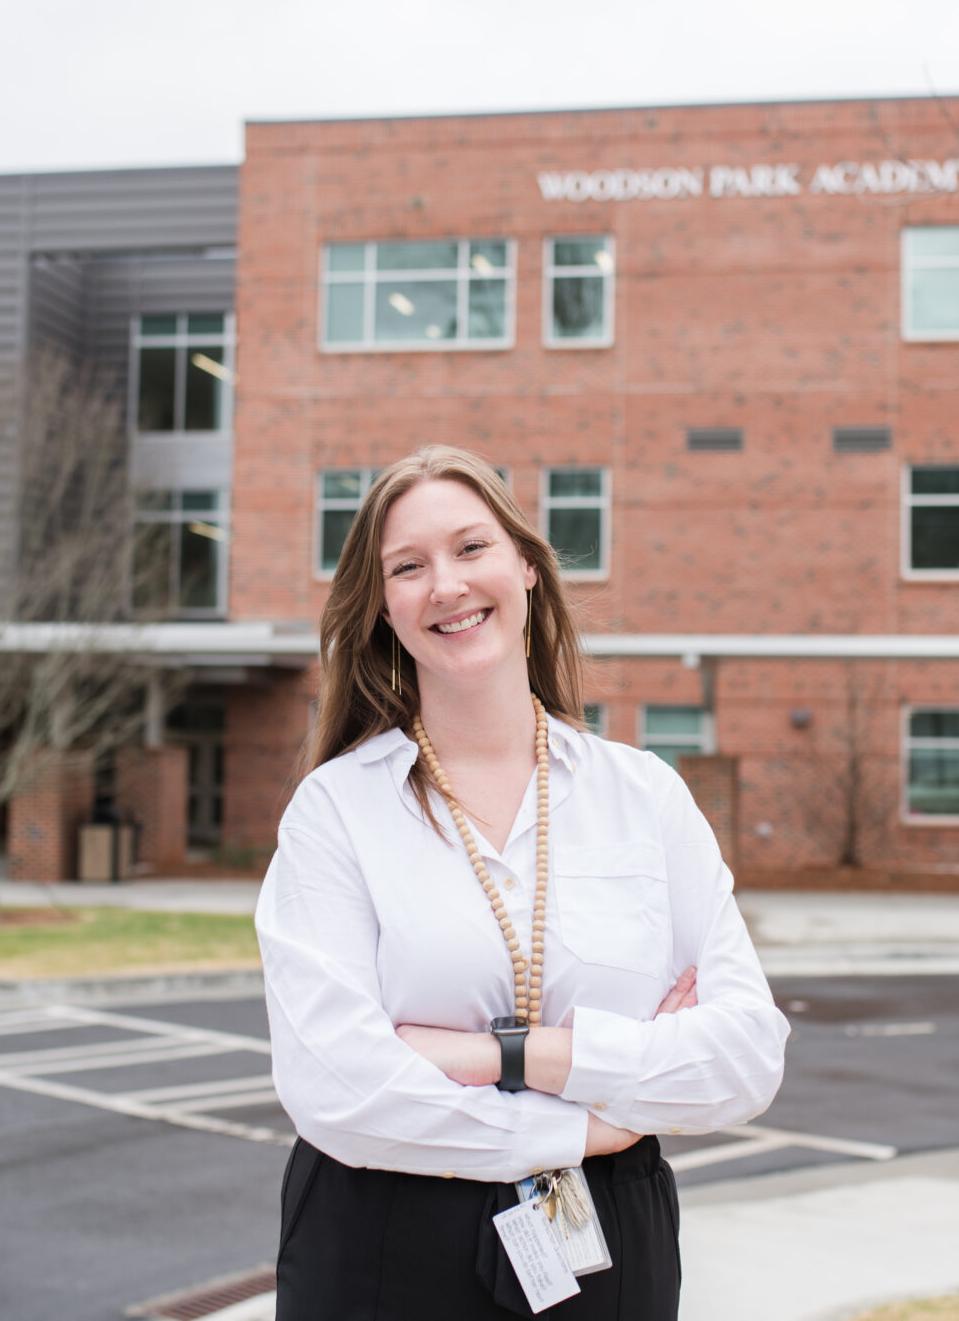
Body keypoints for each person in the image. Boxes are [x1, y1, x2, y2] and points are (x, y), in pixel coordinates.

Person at [254, 444, 789, 1318]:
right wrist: (591, 1119)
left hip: (603, 1235)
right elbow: (338, 1087)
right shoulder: (336, 810)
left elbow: (742, 1057)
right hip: (384, 1234)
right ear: (383, 606)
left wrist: (507, 1055)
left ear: (528, 569)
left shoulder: (643, 795)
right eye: (409, 566)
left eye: (471, 548)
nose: (447, 585)